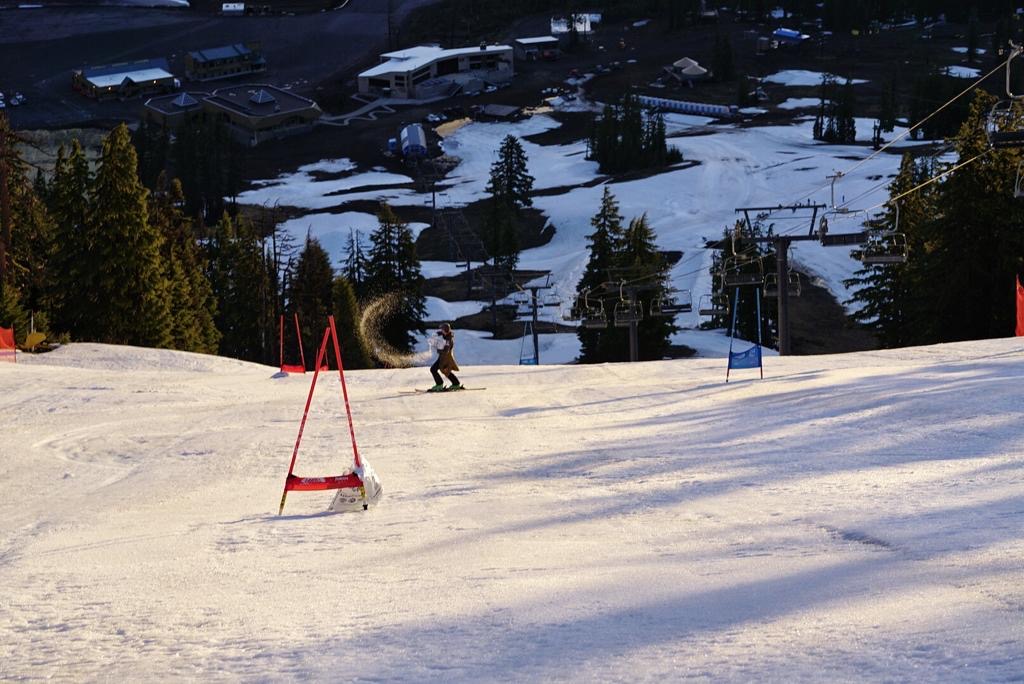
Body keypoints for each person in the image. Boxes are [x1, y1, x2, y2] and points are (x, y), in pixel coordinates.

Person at [429, 322, 462, 391]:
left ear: (445, 330)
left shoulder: (448, 340)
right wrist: (437, 333)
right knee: (446, 371)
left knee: (433, 369)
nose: (441, 330)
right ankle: (456, 383)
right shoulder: (447, 335)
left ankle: (439, 384)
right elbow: (441, 333)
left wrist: (438, 350)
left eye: (442, 329)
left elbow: (446, 351)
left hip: (445, 358)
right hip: (444, 357)